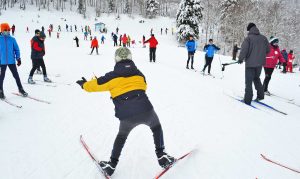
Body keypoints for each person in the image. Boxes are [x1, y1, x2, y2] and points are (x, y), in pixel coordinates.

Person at [76, 47, 175, 176]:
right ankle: (161, 155)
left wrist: (85, 84)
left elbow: (92, 86)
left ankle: (111, 165)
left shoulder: (111, 76)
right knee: (156, 127)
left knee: (121, 137)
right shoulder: (139, 74)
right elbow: (144, 85)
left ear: (116, 59)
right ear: (130, 57)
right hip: (146, 110)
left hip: (126, 116)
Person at [238, 23, 270, 105]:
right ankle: (260, 96)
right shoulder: (264, 38)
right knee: (256, 78)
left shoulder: (248, 39)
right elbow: (268, 50)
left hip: (250, 64)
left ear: (249, 29)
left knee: (248, 81)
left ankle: (247, 99)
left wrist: (241, 59)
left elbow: (244, 50)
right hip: (259, 64)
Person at [0, 23, 28, 99]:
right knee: (1, 77)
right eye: (5, 30)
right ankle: (0, 91)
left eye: (8, 30)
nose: (7, 31)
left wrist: (18, 58)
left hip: (11, 61)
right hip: (2, 62)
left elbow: (16, 49)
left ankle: (21, 89)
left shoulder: (12, 39)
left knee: (16, 76)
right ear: (2, 30)